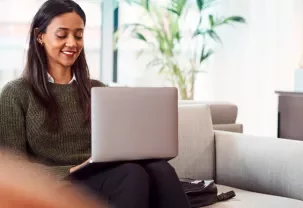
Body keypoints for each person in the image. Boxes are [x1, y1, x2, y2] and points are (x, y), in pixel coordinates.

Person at [0, 0, 190, 208]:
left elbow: (114, 145)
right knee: (131, 174)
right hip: (55, 183)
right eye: (62, 35)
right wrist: (70, 170)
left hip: (98, 173)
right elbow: (12, 168)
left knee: (159, 167)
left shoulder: (97, 90)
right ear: (40, 36)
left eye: (78, 35)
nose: (72, 43)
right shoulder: (16, 93)